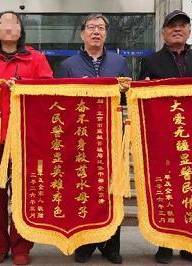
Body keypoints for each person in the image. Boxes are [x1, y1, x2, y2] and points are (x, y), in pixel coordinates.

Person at [0, 11, 53, 266]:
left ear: (21, 31)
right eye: (3, 22)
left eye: (14, 22)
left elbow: (48, 94)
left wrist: (23, 87)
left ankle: (21, 246)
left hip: (26, 138)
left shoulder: (36, 59)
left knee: (24, 194)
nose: (9, 26)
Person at [139, 9, 192, 266]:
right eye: (172, 26)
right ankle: (165, 244)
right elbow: (140, 98)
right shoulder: (150, 62)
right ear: (163, 33)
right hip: (164, 138)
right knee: (167, 189)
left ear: (190, 32)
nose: (177, 29)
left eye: (182, 25)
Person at [55, 14, 130, 265]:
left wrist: (124, 90)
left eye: (100, 28)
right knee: (81, 188)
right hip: (80, 138)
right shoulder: (68, 66)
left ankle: (111, 245)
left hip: (112, 136)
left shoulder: (120, 62)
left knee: (112, 189)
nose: (96, 32)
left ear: (106, 34)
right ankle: (84, 244)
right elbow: (59, 102)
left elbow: (129, 98)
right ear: (82, 34)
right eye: (91, 27)